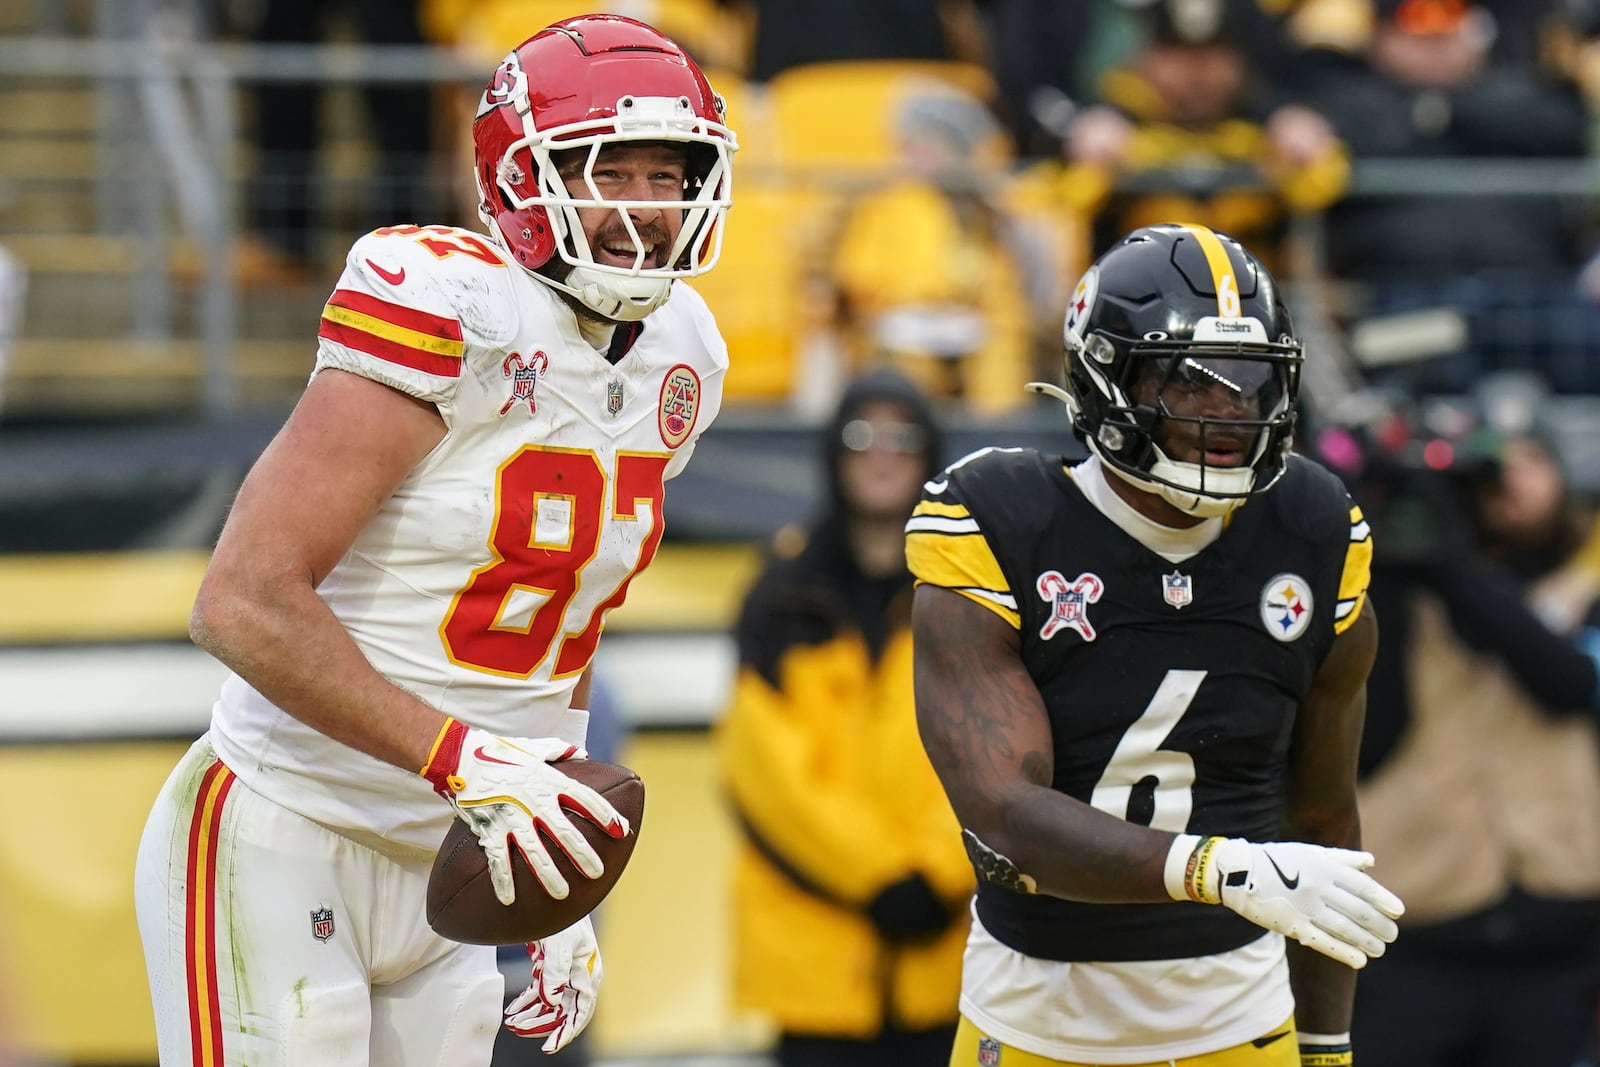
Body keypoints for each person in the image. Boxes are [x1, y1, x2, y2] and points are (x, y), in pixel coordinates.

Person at [132, 14, 736, 1066]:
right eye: (608, 171)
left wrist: (553, 869)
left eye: (666, 173)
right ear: (522, 175)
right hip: (287, 826)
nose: (643, 205)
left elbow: (559, 632)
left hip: (460, 860)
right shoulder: (451, 301)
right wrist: (463, 761)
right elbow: (241, 600)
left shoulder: (685, 352)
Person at [905, 222, 1405, 1066]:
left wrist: (1326, 1045)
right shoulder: (1000, 518)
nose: (1228, 410)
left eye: (1252, 382)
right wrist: (1223, 870)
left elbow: (1322, 817)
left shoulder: (1314, 527)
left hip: (1243, 1026)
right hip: (1038, 1027)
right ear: (1105, 373)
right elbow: (1006, 815)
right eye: (1188, 378)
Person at [1325, 394, 1600, 1067]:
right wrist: (1383, 557)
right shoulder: (1380, 603)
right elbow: (1372, 742)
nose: (1504, 484)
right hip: (1418, 936)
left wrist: (1452, 565)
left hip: (1558, 932)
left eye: (1531, 460)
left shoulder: (1578, 582)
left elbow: (1567, 684)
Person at [717, 369, 974, 1067]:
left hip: (948, 961)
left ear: (931, 453)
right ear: (833, 452)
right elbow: (764, 768)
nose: (882, 453)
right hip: (815, 970)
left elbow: (1001, 749)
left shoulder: (970, 591)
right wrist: (882, 875)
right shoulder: (780, 594)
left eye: (903, 436)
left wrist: (942, 872)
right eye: (862, 436)